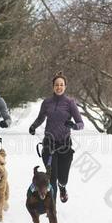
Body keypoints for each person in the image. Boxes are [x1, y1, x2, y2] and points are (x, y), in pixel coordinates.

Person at [29, 71, 84, 203]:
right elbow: (41, 117)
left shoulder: (70, 103)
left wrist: (73, 125)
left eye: (61, 85)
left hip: (65, 145)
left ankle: (62, 187)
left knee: (62, 178)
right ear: (53, 86)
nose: (59, 87)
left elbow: (81, 123)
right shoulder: (47, 102)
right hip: (49, 145)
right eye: (56, 85)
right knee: (51, 178)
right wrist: (33, 126)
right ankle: (52, 206)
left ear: (65, 86)